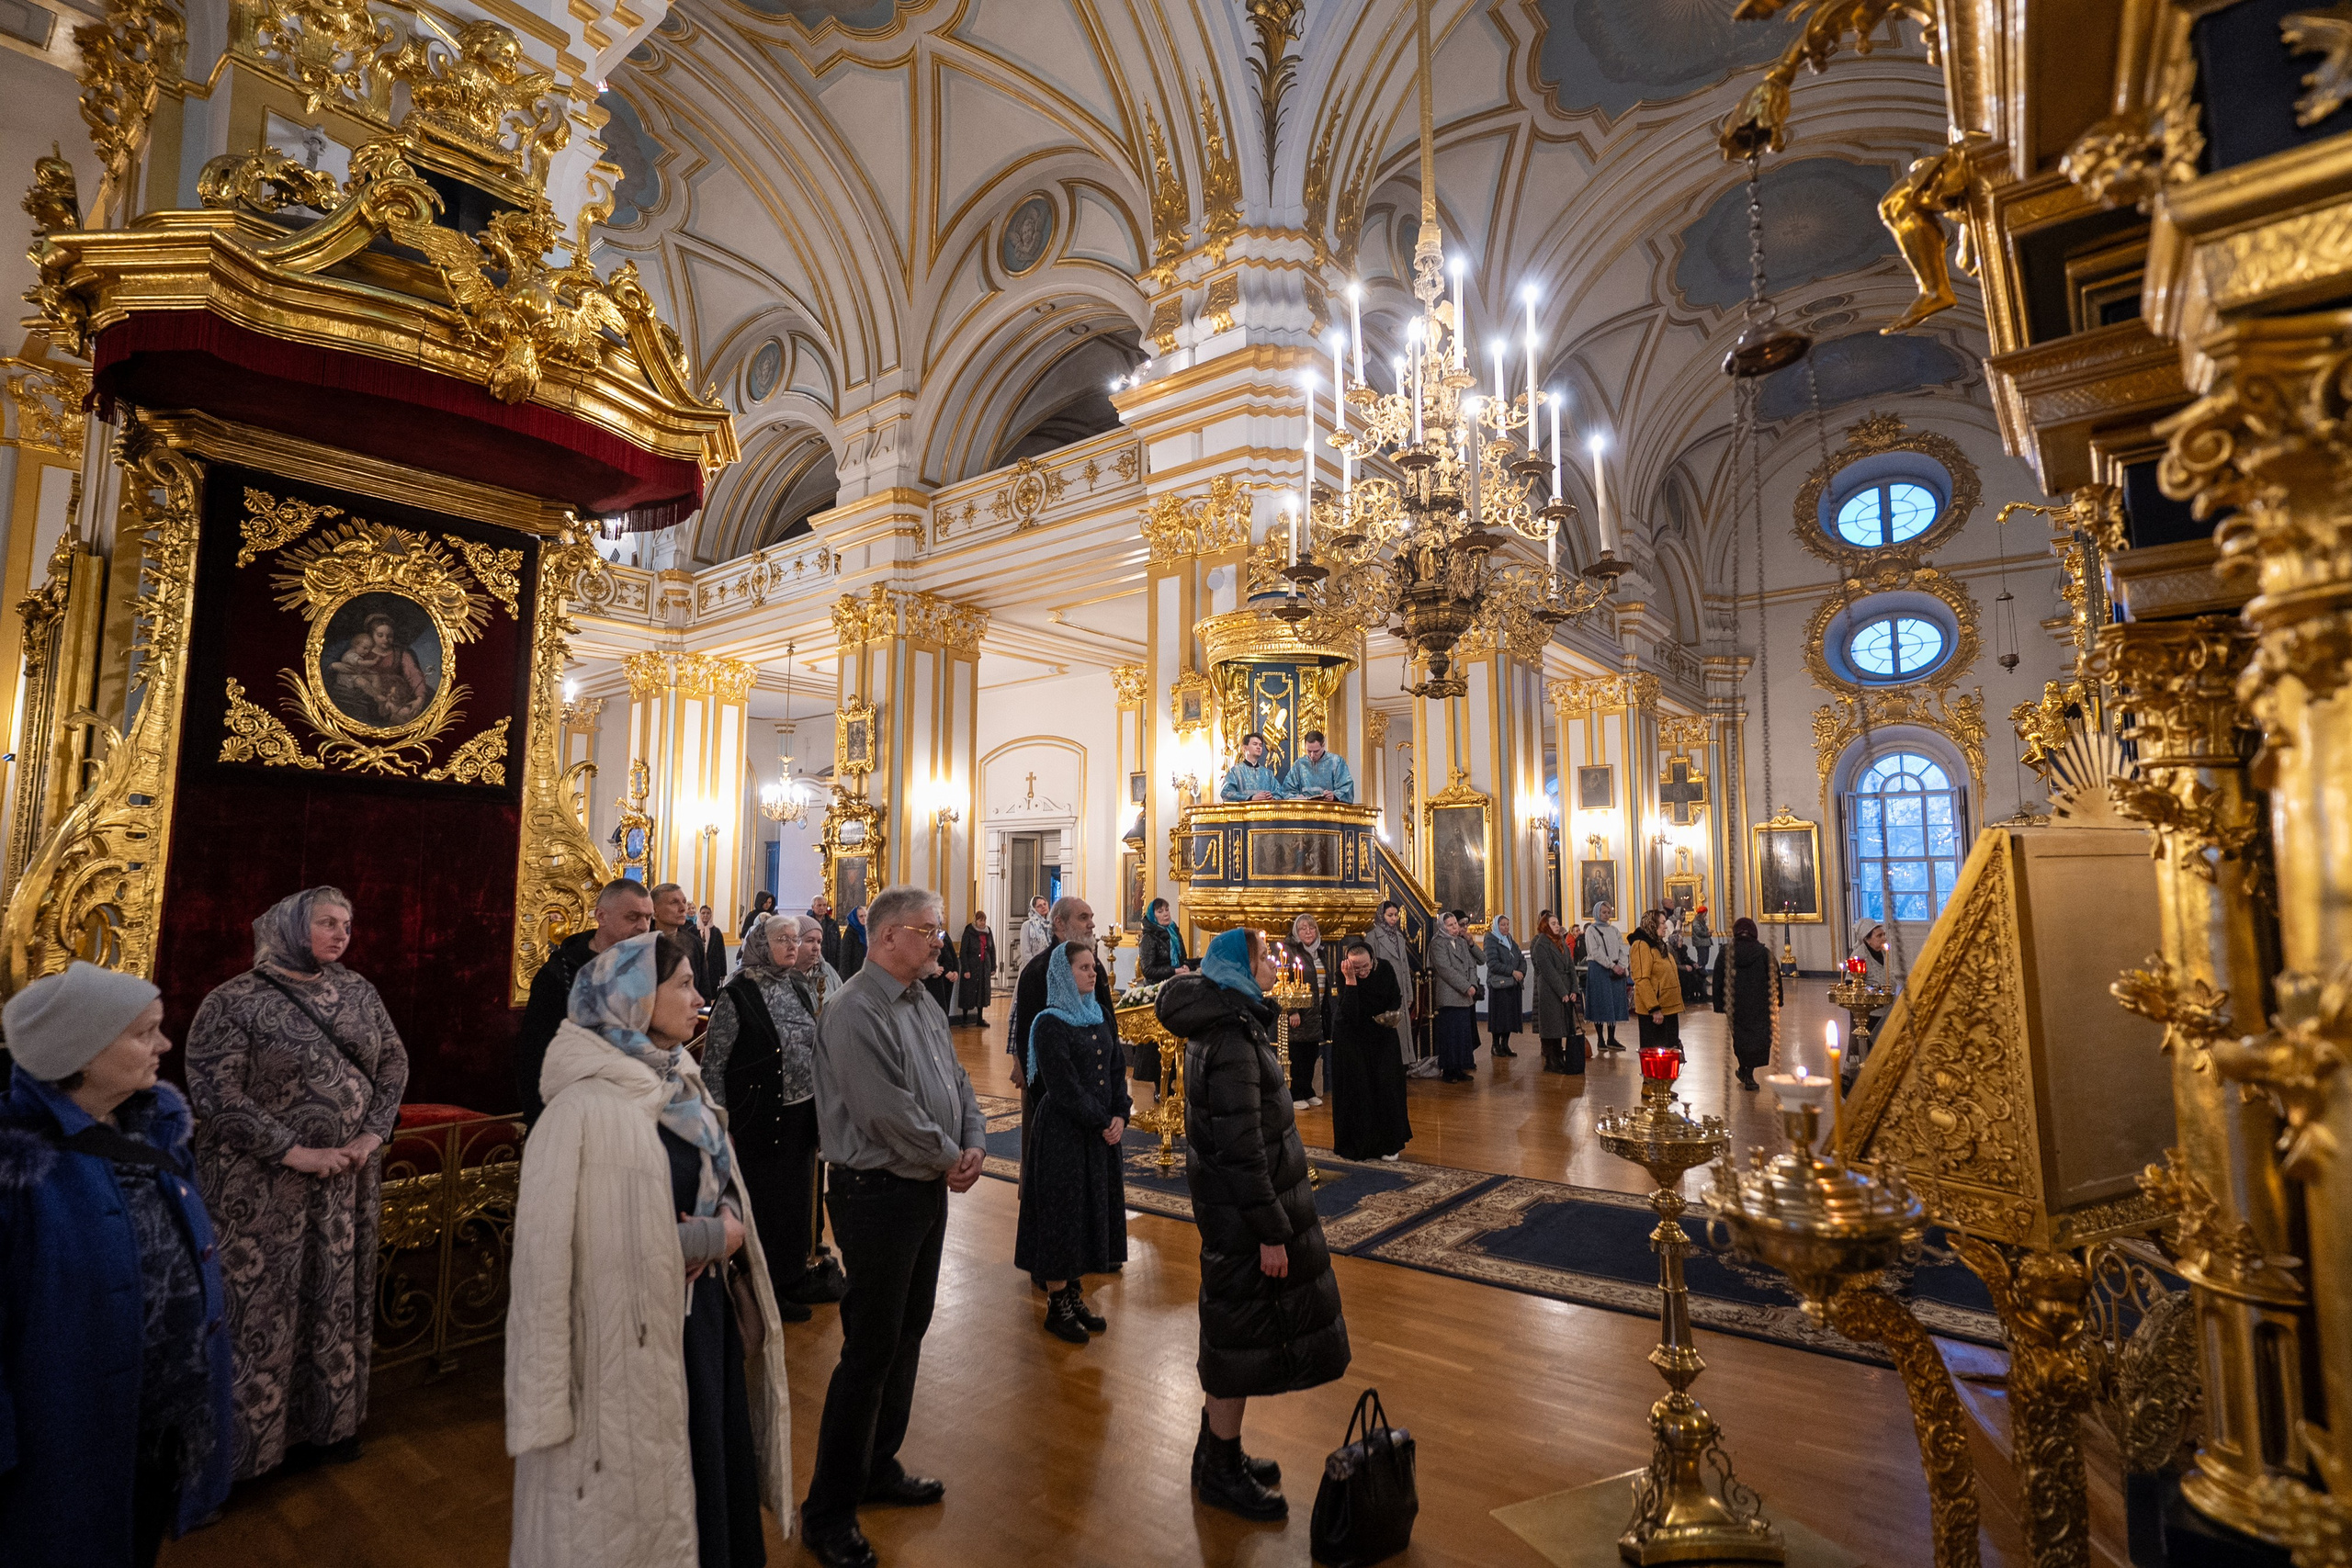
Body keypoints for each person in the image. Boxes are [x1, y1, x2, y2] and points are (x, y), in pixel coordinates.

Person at [506, 931, 789, 1568]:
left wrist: (730, 1217)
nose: (700, 996)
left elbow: (723, 1176)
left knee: (707, 1461)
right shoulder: (578, 1109)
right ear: (634, 997)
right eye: (684, 984)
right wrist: (711, 1236)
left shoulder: (680, 1079)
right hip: (620, 1338)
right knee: (641, 1495)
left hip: (700, 1320)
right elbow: (553, 1259)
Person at [0, 964, 233, 1567]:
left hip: (154, 1426)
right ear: (81, 1049)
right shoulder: (16, 1171)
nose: (164, 1044)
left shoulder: (154, 1129)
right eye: (144, 1032)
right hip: (63, 1444)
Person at [187, 886, 407, 1481]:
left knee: (333, 1298)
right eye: (327, 923)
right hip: (258, 1192)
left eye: (347, 925)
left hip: (345, 1183)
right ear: (288, 927)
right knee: (261, 1311)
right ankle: (241, 1456)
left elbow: (392, 1060)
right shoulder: (234, 1000)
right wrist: (293, 1150)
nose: (340, 934)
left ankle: (327, 1427)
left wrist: (371, 1135)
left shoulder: (358, 989)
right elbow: (214, 1089)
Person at [802, 886, 986, 1568]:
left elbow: (957, 1082)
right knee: (870, 1349)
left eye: (939, 929)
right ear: (886, 937)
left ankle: (878, 1465)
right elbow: (885, 1111)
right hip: (876, 1193)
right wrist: (949, 1156)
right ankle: (828, 1511)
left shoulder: (920, 1001)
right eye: (929, 929)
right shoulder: (854, 1009)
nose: (941, 939)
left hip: (921, 1188)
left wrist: (971, 1140)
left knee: (908, 1329)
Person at [1155, 928, 1350, 1520]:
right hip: (1244, 1217)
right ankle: (1220, 1468)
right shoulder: (1232, 1039)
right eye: (1265, 956)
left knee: (1234, 1334)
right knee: (1239, 1340)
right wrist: (1272, 1230)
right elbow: (1244, 1151)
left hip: (1232, 1210)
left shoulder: (1222, 1022)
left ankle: (1217, 1452)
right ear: (1239, 967)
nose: (1274, 964)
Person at [704, 913, 830, 1322]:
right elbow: (714, 1066)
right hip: (757, 1119)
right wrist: (721, 1125)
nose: (793, 946)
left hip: (801, 1113)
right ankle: (764, 1291)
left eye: (796, 939)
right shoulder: (737, 993)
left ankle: (792, 1277)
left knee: (796, 1202)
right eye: (783, 939)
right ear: (761, 943)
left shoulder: (797, 985)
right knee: (766, 1205)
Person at [1012, 941, 1131, 1344]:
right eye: (1083, 968)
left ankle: (1075, 1292)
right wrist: (1103, 1120)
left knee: (1087, 1210)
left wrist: (1120, 1113)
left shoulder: (1097, 1014)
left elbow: (1116, 1070)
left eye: (1093, 967)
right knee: (1062, 1212)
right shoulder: (1049, 1023)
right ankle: (1057, 1301)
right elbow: (1062, 1087)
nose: (1092, 973)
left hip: (1098, 1133)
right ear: (1064, 974)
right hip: (1064, 1132)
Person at [514, 878, 655, 1124]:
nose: (643, 927)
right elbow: (535, 1054)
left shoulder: (652, 971)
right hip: (571, 1111)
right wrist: (542, 1120)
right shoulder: (560, 973)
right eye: (632, 918)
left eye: (648, 918)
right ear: (602, 916)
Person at [1327, 939, 1411, 1160]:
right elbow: (1349, 1014)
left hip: (1382, 1035)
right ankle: (1359, 1145)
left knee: (1387, 1087)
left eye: (1366, 966)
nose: (1363, 971)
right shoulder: (1344, 974)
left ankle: (1389, 1144)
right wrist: (1351, 980)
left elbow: (1395, 998)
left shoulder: (1385, 969)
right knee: (1358, 1090)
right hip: (1352, 1039)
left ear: (1373, 960)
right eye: (1357, 968)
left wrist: (1390, 1015)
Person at [1714, 916, 1781, 1090]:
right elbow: (1775, 978)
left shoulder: (1725, 952)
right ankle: (1748, 1072)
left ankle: (1745, 1070)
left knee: (1740, 1038)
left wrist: (1718, 1004)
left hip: (1734, 1004)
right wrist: (1777, 1001)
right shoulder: (1763, 953)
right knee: (1757, 1038)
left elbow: (1718, 979)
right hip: (1760, 1004)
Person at [1283, 913, 1333, 1109]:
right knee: (1298, 1054)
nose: (1308, 932)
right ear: (1297, 932)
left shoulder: (1320, 951)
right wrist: (1292, 1010)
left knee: (1312, 1053)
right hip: (1299, 1012)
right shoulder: (1291, 951)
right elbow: (1285, 983)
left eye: (1311, 928)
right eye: (1303, 929)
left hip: (1317, 1010)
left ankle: (1307, 1091)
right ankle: (1295, 1094)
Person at [1363, 899, 1419, 1069]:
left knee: (1402, 1028)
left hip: (1400, 989)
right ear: (1382, 916)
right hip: (1384, 990)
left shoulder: (1399, 936)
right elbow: (1371, 966)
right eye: (1390, 915)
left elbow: (1405, 967)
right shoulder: (1373, 936)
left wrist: (1409, 994)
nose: (1393, 919)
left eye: (1396, 915)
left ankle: (1403, 1062)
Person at [1429, 909, 1481, 1083]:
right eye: (1450, 925)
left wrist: (1473, 984)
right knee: (1450, 1035)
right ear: (1443, 927)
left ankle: (1460, 1068)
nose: (1454, 928)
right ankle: (1449, 1071)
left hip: (1465, 996)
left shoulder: (1461, 942)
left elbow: (1471, 966)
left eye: (1455, 925)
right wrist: (1466, 987)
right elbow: (1445, 970)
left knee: (1463, 1035)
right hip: (1449, 996)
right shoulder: (1437, 944)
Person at [1532, 911, 1583, 1076]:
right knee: (1551, 1026)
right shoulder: (1541, 944)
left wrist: (1574, 989)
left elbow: (1570, 966)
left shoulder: (1561, 941)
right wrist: (1562, 992)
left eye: (1557, 923)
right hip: (1549, 990)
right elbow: (1548, 971)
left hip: (1565, 988)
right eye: (1553, 923)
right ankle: (1551, 1059)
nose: (1557, 926)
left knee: (1562, 1025)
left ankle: (1560, 1056)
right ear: (1545, 926)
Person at [1630, 909, 1685, 1056]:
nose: (1665, 926)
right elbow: (1641, 980)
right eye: (1662, 923)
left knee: (1669, 1055)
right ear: (1652, 925)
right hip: (1655, 1012)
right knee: (1655, 1058)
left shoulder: (1659, 944)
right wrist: (1654, 1009)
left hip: (1668, 1009)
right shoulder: (1641, 945)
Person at [1582, 901, 1631, 1055]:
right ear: (1597, 913)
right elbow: (1595, 952)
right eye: (1603, 912)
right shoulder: (1591, 930)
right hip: (1599, 970)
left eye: (1608, 911)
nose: (1606, 914)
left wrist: (1622, 965)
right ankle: (1600, 1039)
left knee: (1614, 1003)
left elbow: (1622, 948)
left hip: (1616, 970)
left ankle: (1611, 1038)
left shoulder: (1614, 930)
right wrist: (1612, 965)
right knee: (1600, 1003)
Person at [1484, 912, 1525, 1059]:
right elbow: (1493, 963)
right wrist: (1512, 972)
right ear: (1496, 926)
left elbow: (1520, 957)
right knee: (1499, 1017)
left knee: (1510, 1016)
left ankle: (1505, 1044)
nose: (1506, 927)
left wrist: (1521, 971)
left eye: (1507, 924)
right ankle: (1495, 1045)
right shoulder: (1491, 940)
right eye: (1502, 924)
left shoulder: (1510, 940)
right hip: (1499, 985)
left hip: (1512, 985)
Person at [1283, 730, 1355, 802]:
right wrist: (1297, 797)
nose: (1312, 755)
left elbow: (1347, 788)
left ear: (1323, 745)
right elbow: (1286, 790)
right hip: (1305, 810)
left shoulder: (1336, 762)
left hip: (1329, 809)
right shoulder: (1299, 764)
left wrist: (1334, 796)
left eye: (1316, 751)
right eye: (1309, 751)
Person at [1219, 731, 1287, 802]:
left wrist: (1272, 798)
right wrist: (1250, 798)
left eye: (1260, 745)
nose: (1258, 747)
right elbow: (1226, 793)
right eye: (1255, 744)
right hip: (1244, 812)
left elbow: (1280, 793)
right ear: (1244, 748)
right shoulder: (1235, 771)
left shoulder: (1268, 774)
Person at [1138, 897, 1192, 985]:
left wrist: (1186, 966)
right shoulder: (1149, 938)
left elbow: (1183, 958)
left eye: (1167, 910)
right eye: (1160, 912)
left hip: (1177, 982)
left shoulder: (1174, 932)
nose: (1166, 914)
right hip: (1156, 986)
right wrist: (1174, 971)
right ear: (1153, 916)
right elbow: (1148, 970)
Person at [956, 910, 995, 1027]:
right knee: (968, 993)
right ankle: (964, 1019)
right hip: (972, 967)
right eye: (980, 920)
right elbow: (963, 952)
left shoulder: (988, 932)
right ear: (975, 921)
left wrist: (993, 966)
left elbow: (992, 950)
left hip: (984, 967)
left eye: (984, 920)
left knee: (982, 992)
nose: (983, 923)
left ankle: (979, 1018)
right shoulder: (969, 932)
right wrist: (966, 969)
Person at [1014, 894, 1053, 973]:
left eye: (1044, 904)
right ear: (1034, 909)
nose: (1043, 907)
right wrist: (1036, 967)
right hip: (1032, 969)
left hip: (1049, 967)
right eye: (1039, 906)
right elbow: (1025, 952)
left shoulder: (1052, 925)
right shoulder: (1027, 925)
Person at [923, 930, 957, 1018]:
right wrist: (932, 969)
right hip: (926, 981)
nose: (940, 944)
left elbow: (950, 958)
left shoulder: (943, 934)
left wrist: (952, 970)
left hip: (937, 981)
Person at [697, 903, 729, 993]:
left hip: (713, 967)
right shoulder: (693, 930)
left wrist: (723, 972)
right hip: (697, 966)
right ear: (699, 915)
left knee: (712, 992)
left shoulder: (716, 932)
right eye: (703, 913)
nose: (705, 915)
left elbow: (721, 952)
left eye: (708, 913)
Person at [808, 894, 842, 971]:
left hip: (830, 962)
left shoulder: (833, 924)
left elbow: (839, 946)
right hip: (812, 962)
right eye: (819, 905)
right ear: (813, 907)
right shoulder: (808, 923)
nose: (822, 908)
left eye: (824, 905)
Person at [839, 904, 868, 979]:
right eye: (861, 916)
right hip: (853, 975)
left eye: (865, 916)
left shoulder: (868, 932)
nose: (864, 918)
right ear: (855, 918)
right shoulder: (850, 934)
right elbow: (845, 959)